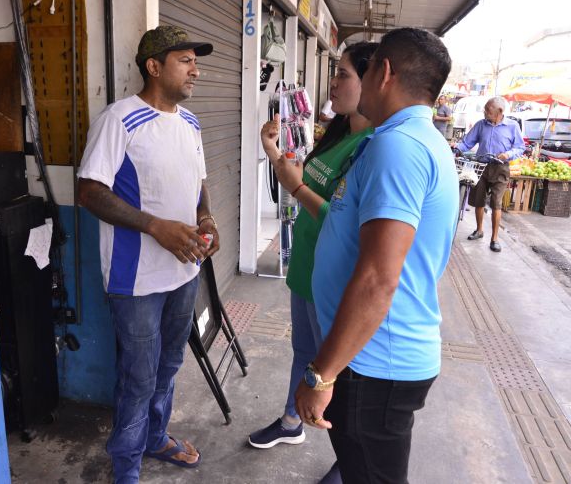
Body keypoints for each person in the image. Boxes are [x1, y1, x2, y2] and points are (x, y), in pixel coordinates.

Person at [295, 27, 457, 483]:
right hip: (372, 358)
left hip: (373, 365)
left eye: (363, 73)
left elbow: (377, 279)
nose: (359, 83)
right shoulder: (405, 139)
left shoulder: (399, 147)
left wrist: (321, 374)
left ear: (383, 72)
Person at [77, 25, 218, 484]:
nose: (195, 69)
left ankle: (155, 438)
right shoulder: (119, 120)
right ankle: (126, 469)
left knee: (170, 364)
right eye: (185, 60)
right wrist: (155, 226)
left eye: (196, 61)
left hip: (184, 270)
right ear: (154, 67)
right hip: (135, 280)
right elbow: (89, 192)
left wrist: (207, 220)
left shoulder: (191, 122)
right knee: (138, 376)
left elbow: (198, 187)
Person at [248, 41, 379, 483]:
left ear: (375, 80)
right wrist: (274, 153)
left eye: (343, 74)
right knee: (304, 356)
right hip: (306, 268)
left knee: (336, 374)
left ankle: (349, 458)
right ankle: (290, 423)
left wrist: (296, 189)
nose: (334, 82)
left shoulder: (373, 148)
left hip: (335, 283)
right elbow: (306, 180)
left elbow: (347, 226)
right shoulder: (338, 133)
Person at [454, 96, 524, 252]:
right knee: (479, 201)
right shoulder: (481, 125)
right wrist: (456, 148)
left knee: (496, 203)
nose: (484, 112)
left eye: (488, 110)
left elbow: (520, 147)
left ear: (499, 111)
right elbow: (467, 143)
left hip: (501, 168)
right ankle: (479, 230)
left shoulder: (512, 126)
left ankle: (494, 238)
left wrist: (508, 154)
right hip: (481, 167)